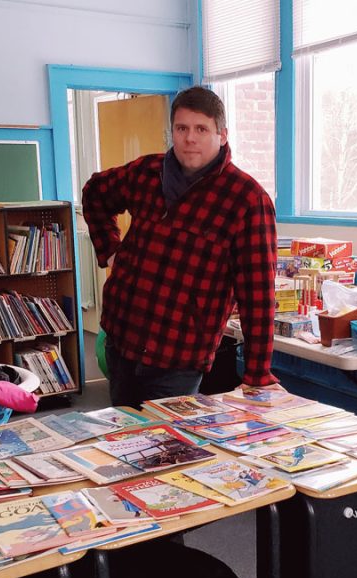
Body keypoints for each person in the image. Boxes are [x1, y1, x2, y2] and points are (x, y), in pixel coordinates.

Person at [82, 86, 279, 407]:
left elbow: (257, 296)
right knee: (123, 438)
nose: (190, 138)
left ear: (222, 134)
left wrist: (257, 375)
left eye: (201, 129)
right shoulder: (146, 172)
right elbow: (95, 193)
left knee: (169, 451)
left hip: (178, 354)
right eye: (182, 128)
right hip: (121, 338)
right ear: (172, 131)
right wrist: (110, 250)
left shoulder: (246, 200)